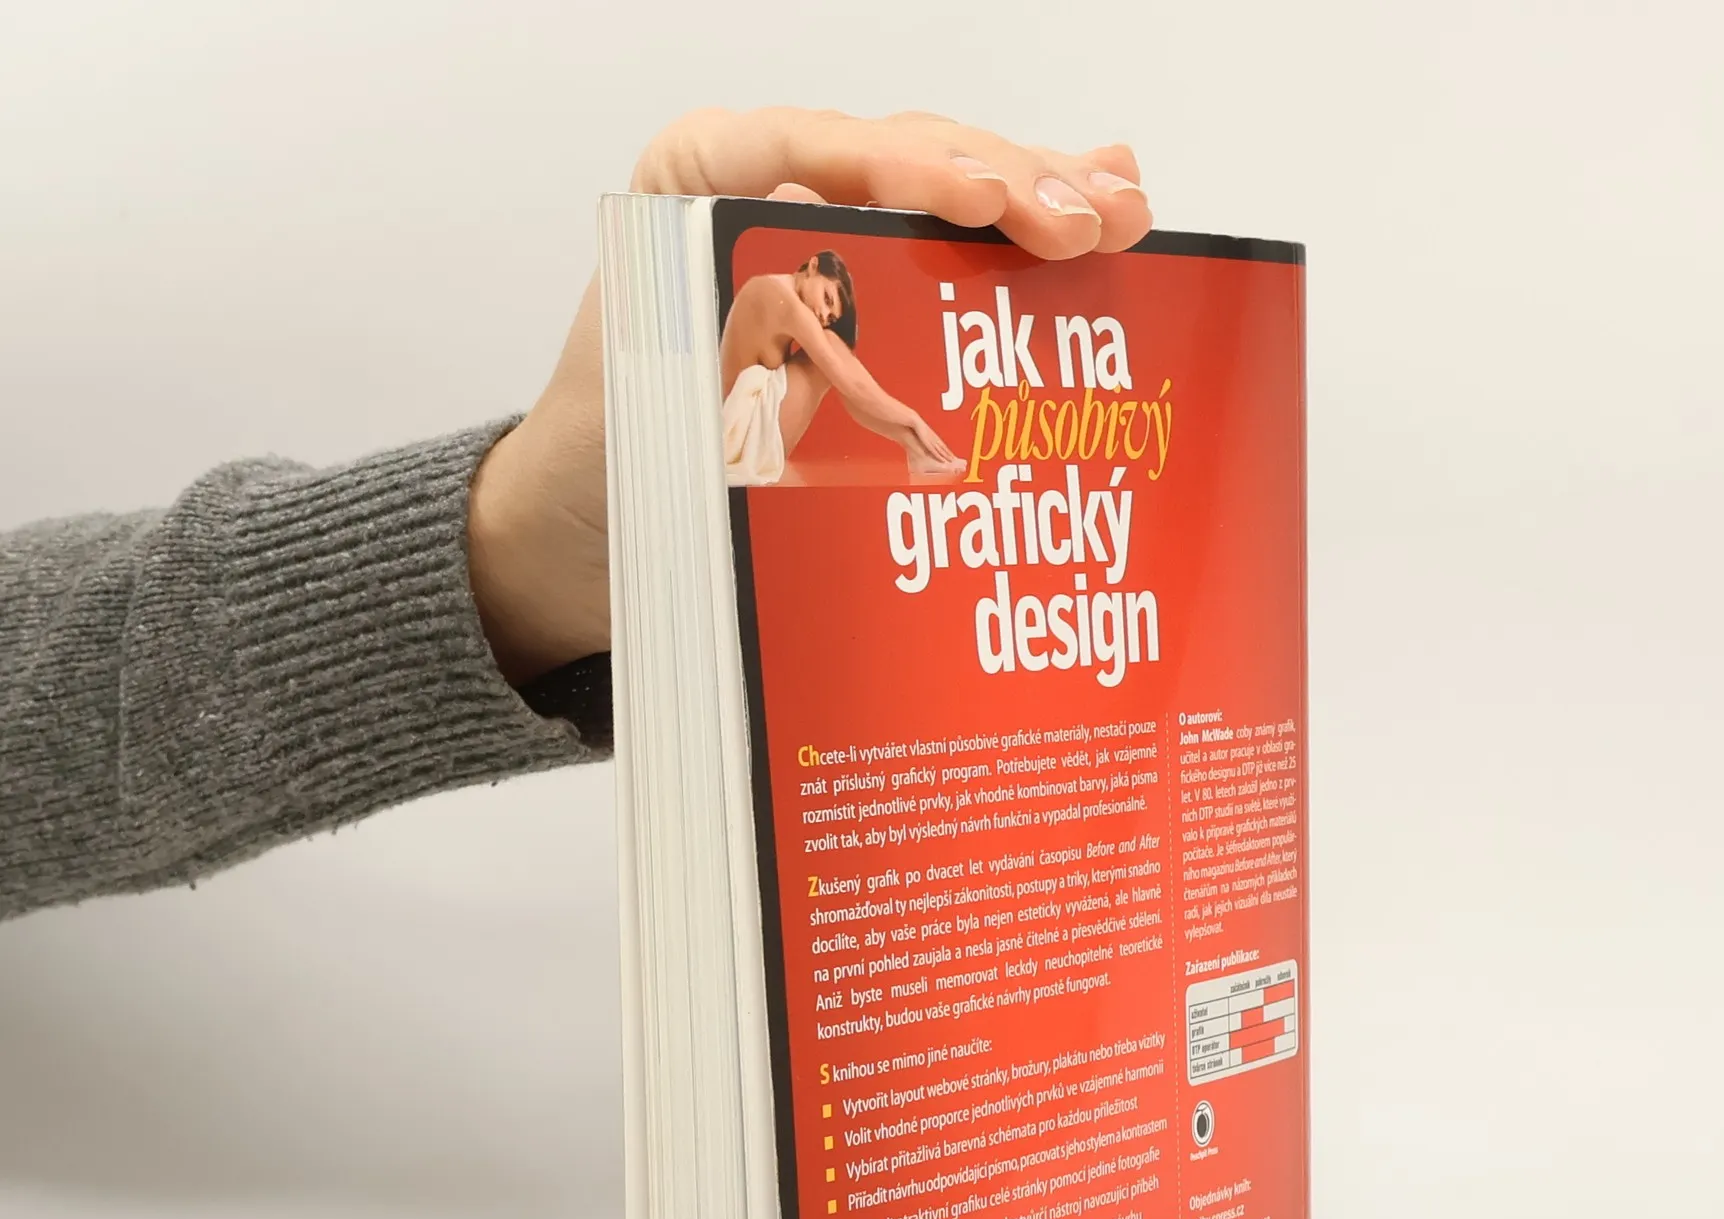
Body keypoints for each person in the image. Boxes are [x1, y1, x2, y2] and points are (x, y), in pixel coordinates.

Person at [0, 108, 1151, 922]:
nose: (824, 300)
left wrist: (514, 555)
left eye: (833, 294)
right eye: (827, 288)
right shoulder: (780, 301)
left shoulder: (787, 322)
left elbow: (850, 388)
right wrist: (912, 438)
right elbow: (855, 389)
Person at [719, 249, 963, 484]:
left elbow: (852, 390)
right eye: (827, 298)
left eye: (830, 316)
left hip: (745, 429)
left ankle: (916, 450)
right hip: (739, 438)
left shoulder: (772, 287)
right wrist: (914, 419)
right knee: (832, 347)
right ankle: (917, 450)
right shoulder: (785, 302)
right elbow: (852, 385)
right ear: (813, 266)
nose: (822, 315)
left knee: (833, 351)